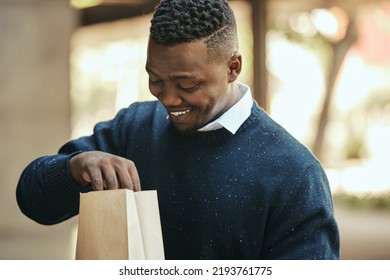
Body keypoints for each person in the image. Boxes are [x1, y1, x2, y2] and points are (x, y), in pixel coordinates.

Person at [16, 0, 340, 260]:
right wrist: (75, 167)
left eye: (187, 83)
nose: (168, 99)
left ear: (233, 67)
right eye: (156, 80)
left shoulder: (295, 174)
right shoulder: (133, 128)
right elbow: (32, 200)